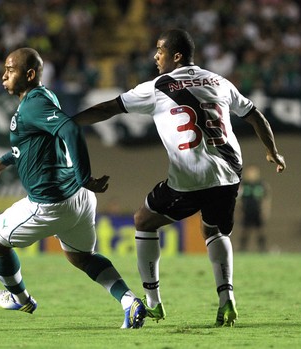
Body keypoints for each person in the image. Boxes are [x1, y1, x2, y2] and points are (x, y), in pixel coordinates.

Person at [74, 29, 286, 327]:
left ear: (177, 56)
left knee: (143, 221)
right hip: (228, 173)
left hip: (190, 177)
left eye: (159, 50)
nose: (155, 56)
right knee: (214, 231)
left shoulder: (158, 86)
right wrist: (272, 152)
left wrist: (70, 122)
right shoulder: (219, 81)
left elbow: (110, 108)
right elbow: (255, 116)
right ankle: (227, 302)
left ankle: (154, 303)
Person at [0, 47, 147, 329]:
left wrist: (84, 175)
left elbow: (69, 129)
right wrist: (3, 161)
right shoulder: (44, 97)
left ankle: (20, 297)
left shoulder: (33, 104)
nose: (4, 74)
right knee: (82, 257)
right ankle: (129, 302)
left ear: (29, 74)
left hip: (49, 203)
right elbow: (35, 144)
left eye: (10, 69)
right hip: (79, 199)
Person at [238, 165, 270, 253]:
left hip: (257, 211)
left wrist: (265, 211)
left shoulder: (261, 184)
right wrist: (240, 210)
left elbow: (266, 199)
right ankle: (242, 250)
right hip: (247, 211)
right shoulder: (243, 185)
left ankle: (262, 249)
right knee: (245, 231)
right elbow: (239, 199)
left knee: (261, 230)